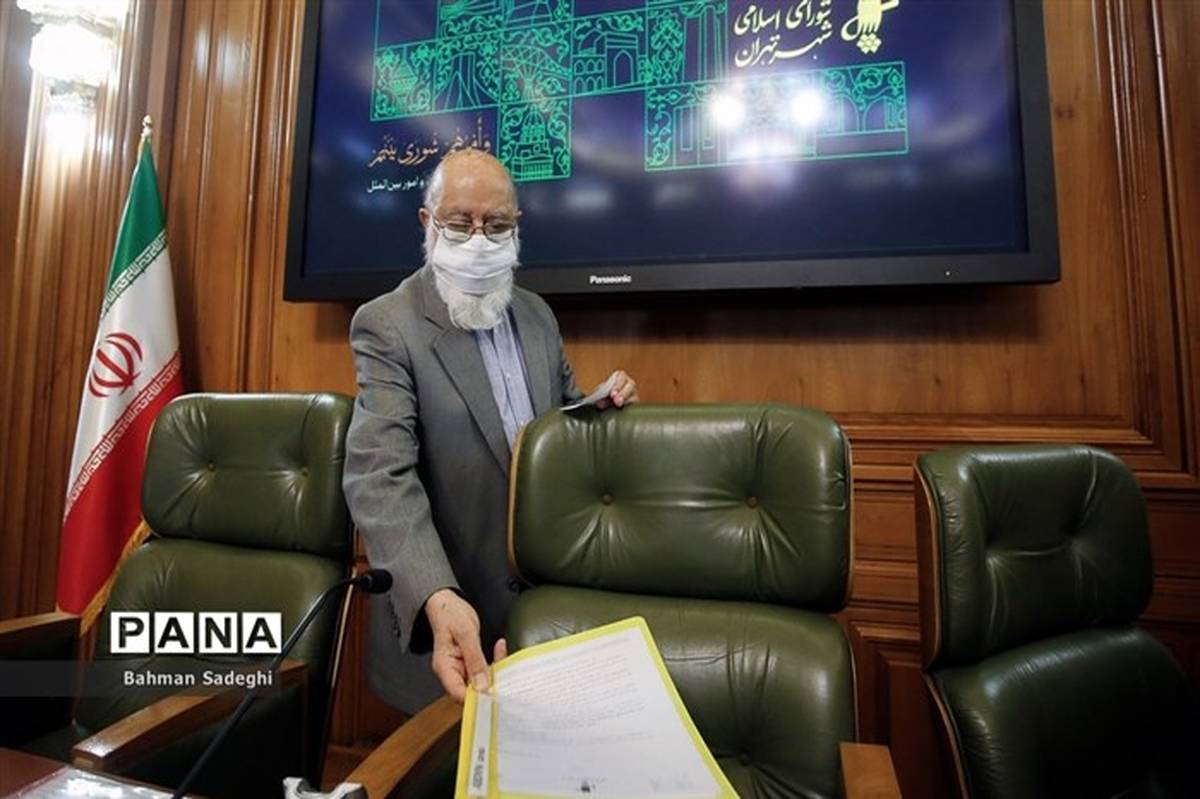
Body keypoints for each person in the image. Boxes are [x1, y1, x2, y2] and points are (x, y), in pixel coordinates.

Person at [343, 149, 638, 713]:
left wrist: (604, 404)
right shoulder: (387, 324)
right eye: (460, 223)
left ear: (517, 227)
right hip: (448, 626)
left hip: (539, 628)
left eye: (496, 224)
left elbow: (558, 427)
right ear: (428, 223)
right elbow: (379, 477)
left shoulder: (537, 315)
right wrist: (437, 595)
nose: (479, 240)